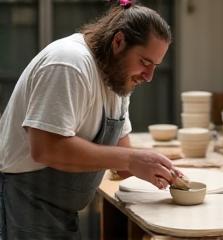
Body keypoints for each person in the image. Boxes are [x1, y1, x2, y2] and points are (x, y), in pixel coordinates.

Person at [0, 0, 181, 239]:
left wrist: (162, 172)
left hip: (61, 210)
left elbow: (121, 159)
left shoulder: (117, 79)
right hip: (25, 206)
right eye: (145, 62)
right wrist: (132, 159)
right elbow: (46, 148)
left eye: (155, 66)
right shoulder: (69, 64)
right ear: (118, 42)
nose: (148, 76)